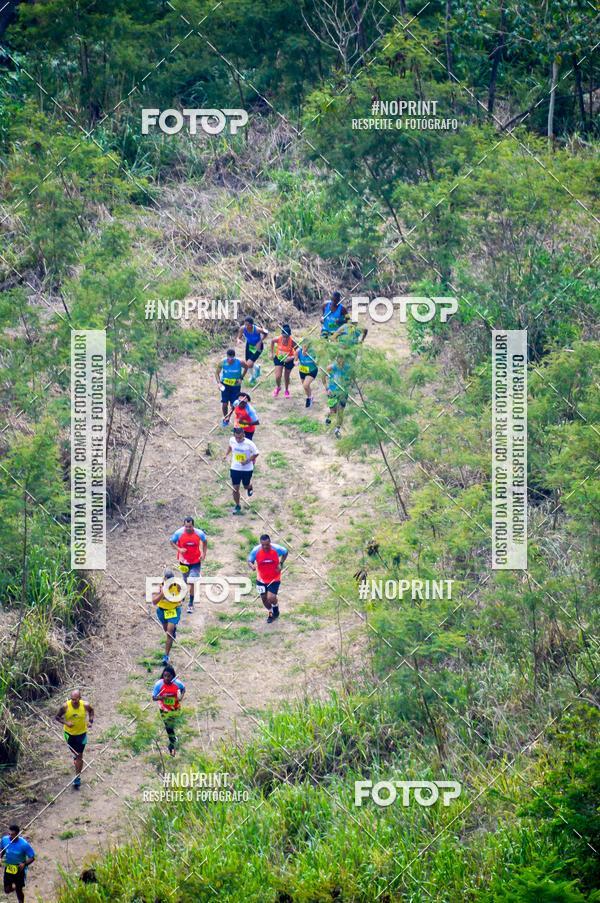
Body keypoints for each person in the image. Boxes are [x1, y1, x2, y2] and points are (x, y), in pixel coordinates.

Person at [54, 690, 94, 789]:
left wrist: (90, 721)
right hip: (69, 735)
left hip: (82, 734)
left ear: (80, 698)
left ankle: (77, 778)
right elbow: (57, 717)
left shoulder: (85, 705)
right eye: (72, 699)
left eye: (75, 700)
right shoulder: (65, 706)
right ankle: (76, 760)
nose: (73, 701)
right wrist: (66, 723)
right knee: (75, 755)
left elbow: (91, 711)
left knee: (79, 755)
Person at [170, 517, 208, 616]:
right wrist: (179, 549)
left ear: (193, 526)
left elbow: (205, 542)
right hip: (183, 561)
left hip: (195, 561)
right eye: (186, 526)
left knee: (191, 581)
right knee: (186, 580)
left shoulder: (199, 533)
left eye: (190, 526)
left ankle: (190, 604)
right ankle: (183, 593)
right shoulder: (179, 533)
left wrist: (203, 554)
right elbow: (171, 542)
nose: (188, 528)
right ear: (184, 525)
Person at [247, 534, 288, 623]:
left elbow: (285, 552)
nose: (265, 547)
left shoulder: (276, 549)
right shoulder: (256, 551)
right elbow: (249, 560)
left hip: (274, 577)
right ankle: (271, 612)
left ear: (270, 542)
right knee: (264, 598)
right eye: (263, 545)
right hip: (261, 578)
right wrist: (252, 566)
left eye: (267, 544)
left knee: (271, 597)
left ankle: (276, 608)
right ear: (260, 544)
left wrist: (281, 563)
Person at [152, 568, 187, 665]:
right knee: (167, 631)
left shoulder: (177, 586)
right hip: (162, 611)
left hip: (173, 610)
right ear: (164, 579)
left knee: (169, 633)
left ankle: (166, 656)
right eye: (167, 581)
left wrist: (178, 598)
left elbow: (182, 597)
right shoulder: (159, 587)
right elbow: (154, 602)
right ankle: (171, 634)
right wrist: (162, 594)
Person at [224, 426, 259, 515]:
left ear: (243, 434)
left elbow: (256, 453)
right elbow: (230, 447)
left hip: (247, 469)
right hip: (235, 468)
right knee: (235, 489)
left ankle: (249, 487)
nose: (238, 439)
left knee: (246, 485)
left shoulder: (249, 443)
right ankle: (237, 505)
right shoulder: (232, 440)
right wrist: (226, 454)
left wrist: (247, 461)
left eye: (240, 437)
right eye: (236, 437)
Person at [152, 665, 185, 756]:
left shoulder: (177, 683)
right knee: (168, 727)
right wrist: (162, 697)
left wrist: (180, 697)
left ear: (173, 676)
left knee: (171, 726)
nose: (166, 678)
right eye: (165, 676)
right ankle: (172, 744)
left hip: (175, 708)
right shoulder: (159, 684)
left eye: (169, 676)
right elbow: (154, 697)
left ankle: (173, 741)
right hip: (164, 709)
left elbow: (183, 689)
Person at [1, 825, 35, 903]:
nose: (10, 836)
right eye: (9, 834)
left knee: (19, 891)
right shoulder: (5, 840)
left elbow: (32, 857)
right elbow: (2, 849)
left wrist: (24, 864)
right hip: (9, 867)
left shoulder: (24, 844)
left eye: (12, 835)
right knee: (7, 890)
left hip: (19, 869)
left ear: (17, 834)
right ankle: (15, 887)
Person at [325, 355, 352, 439]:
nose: (340, 360)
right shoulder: (333, 366)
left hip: (343, 393)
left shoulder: (348, 367)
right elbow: (326, 372)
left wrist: (348, 385)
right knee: (333, 411)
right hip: (332, 391)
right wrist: (328, 388)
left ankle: (337, 429)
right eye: (338, 358)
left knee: (340, 412)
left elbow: (351, 379)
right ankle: (328, 418)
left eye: (342, 358)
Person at [215, 349, 244, 426]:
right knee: (224, 404)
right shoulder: (222, 362)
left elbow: (246, 367)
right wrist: (218, 383)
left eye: (232, 359)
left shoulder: (240, 362)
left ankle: (229, 417)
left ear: (234, 357)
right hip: (225, 385)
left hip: (235, 386)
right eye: (228, 358)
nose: (230, 360)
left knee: (233, 404)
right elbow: (217, 373)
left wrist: (241, 378)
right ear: (226, 356)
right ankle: (226, 419)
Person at [236, 316, 268, 384]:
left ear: (251, 324)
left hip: (257, 347)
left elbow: (266, 333)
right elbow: (238, 337)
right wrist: (238, 340)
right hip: (249, 346)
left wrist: (260, 341)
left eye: (248, 324)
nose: (246, 326)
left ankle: (253, 377)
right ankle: (256, 369)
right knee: (248, 363)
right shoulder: (242, 328)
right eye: (245, 324)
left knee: (248, 364)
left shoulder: (257, 329)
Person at [271, 324, 297, 397]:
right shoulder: (278, 339)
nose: (285, 338)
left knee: (286, 376)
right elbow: (272, 341)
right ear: (281, 334)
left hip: (289, 360)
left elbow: (297, 352)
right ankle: (278, 387)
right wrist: (272, 353)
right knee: (278, 376)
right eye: (284, 336)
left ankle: (286, 390)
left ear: (289, 335)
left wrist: (291, 358)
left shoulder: (292, 342)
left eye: (287, 337)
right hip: (279, 358)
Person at [295, 341, 319, 408]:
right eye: (304, 347)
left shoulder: (313, 352)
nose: (305, 349)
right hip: (302, 371)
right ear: (302, 346)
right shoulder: (298, 351)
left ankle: (309, 399)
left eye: (307, 347)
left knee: (306, 385)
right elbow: (295, 360)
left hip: (312, 371)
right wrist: (295, 363)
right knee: (305, 387)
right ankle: (310, 397)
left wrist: (316, 361)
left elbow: (318, 362)